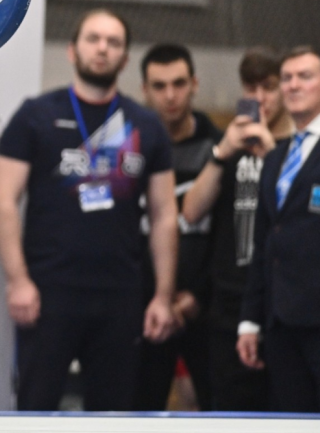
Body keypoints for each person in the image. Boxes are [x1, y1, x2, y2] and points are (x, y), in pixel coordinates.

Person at [0, 8, 178, 411]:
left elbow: (165, 216)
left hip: (121, 296)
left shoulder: (146, 125)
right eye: (93, 39)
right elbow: (3, 201)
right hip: (48, 292)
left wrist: (162, 295)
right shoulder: (35, 116)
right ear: (73, 51)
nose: (102, 49)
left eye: (113, 42)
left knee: (113, 411)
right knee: (36, 405)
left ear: (125, 59)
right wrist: (17, 280)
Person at [182, 47, 292, 410]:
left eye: (269, 87)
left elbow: (299, 217)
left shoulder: (300, 149)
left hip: (282, 305)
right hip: (228, 301)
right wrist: (221, 152)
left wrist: (271, 153)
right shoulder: (230, 146)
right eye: (251, 87)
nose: (259, 98)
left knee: (286, 407)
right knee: (228, 409)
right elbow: (191, 211)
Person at [134, 44, 220, 411]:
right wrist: (156, 300)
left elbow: (229, 238)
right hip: (146, 309)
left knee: (221, 411)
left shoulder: (219, 149)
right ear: (145, 90)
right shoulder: (130, 149)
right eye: (159, 85)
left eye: (179, 83)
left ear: (194, 84)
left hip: (205, 308)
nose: (170, 95)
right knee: (137, 411)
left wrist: (197, 297)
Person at [238, 46, 320, 412]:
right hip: (281, 320)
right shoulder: (275, 157)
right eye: (287, 78)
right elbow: (264, 242)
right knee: (289, 416)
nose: (293, 85)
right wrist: (250, 320)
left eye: (305, 76)